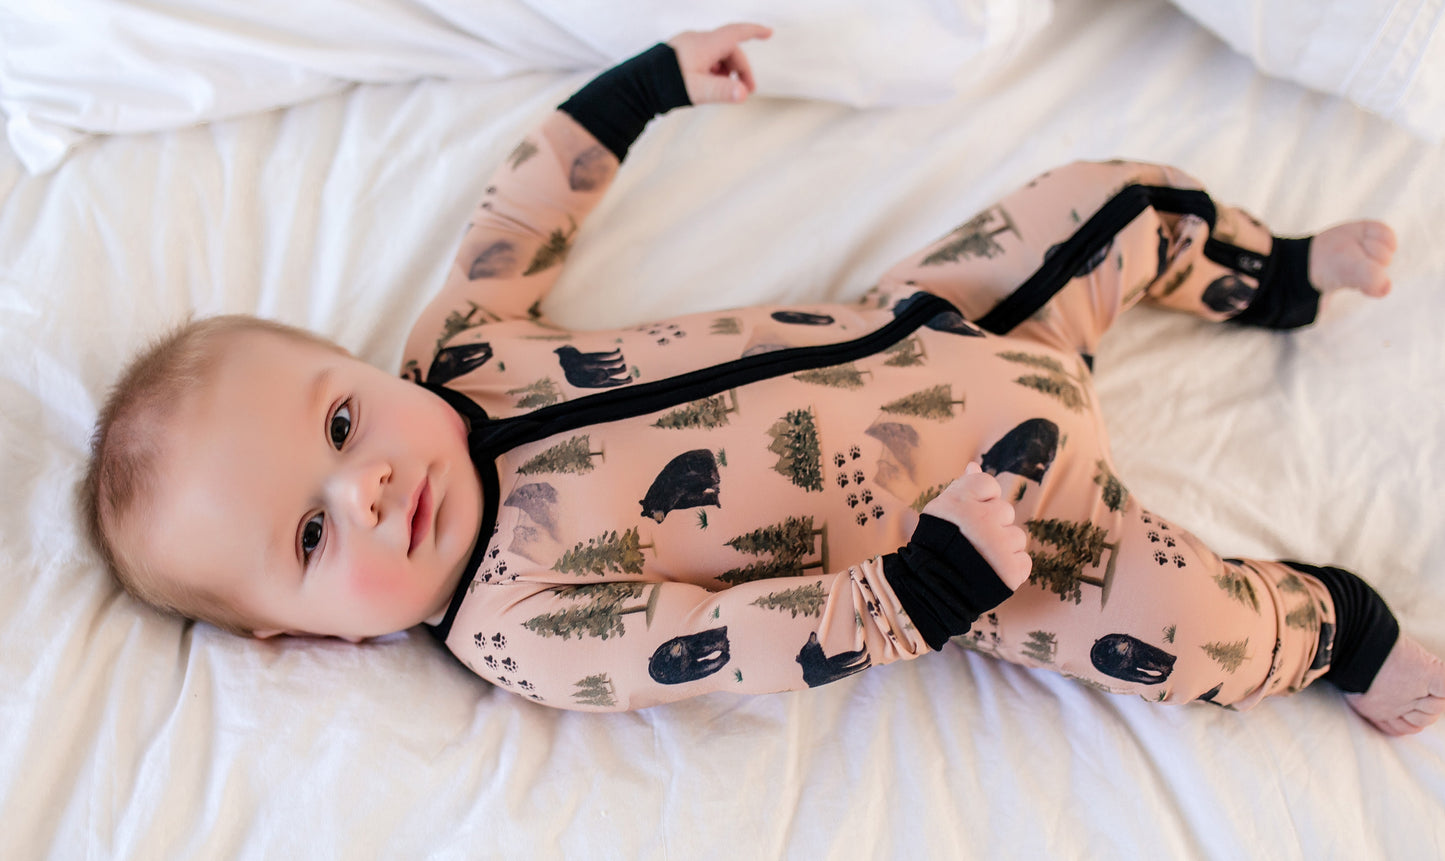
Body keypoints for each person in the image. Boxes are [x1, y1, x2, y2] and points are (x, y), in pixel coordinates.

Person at [82, 24, 1445, 733]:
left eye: (335, 419)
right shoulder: (522, 628)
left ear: (353, 365)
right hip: (990, 533)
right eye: (312, 532)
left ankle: (1260, 274)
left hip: (948, 325)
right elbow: (725, 643)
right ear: (299, 633)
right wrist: (919, 588)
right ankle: (1343, 631)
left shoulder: (460, 356)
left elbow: (516, 217)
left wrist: (639, 91)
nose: (368, 482)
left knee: (1110, 192)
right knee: (1196, 640)